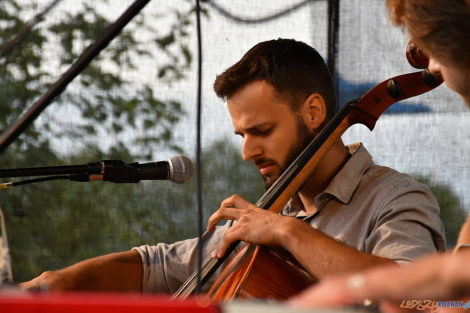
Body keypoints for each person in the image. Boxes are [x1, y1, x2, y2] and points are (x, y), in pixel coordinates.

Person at [19, 39, 445, 294]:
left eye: (261, 130)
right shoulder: (267, 214)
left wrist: (286, 232)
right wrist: (62, 282)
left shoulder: (394, 198)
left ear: (314, 111)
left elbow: (421, 298)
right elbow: (159, 265)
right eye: (243, 135)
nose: (247, 151)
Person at [290, 0, 470, 309]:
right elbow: (456, 276)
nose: (434, 68)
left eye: (433, 47)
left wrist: (362, 285)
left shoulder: (396, 197)